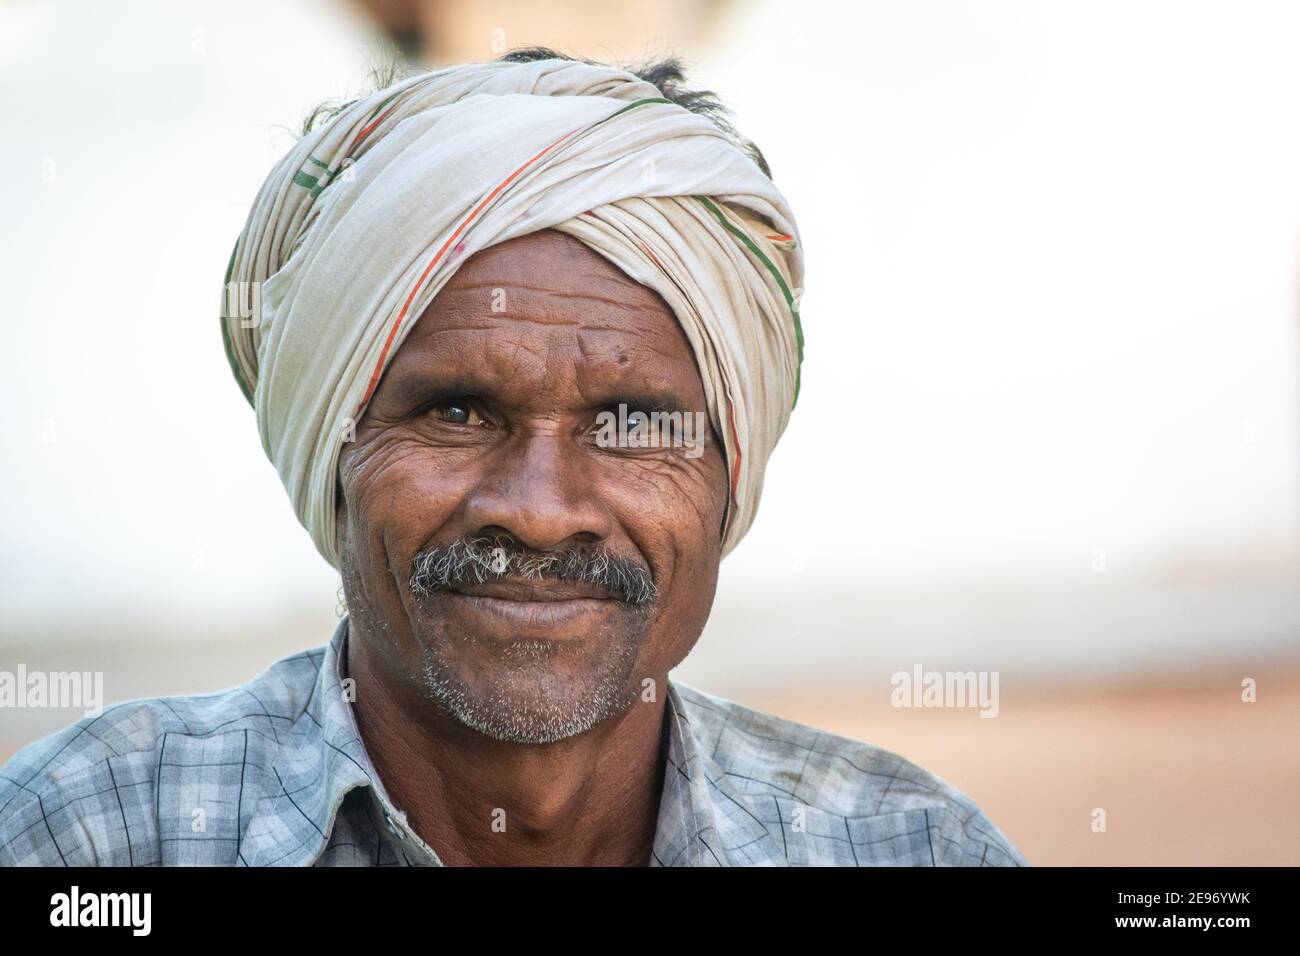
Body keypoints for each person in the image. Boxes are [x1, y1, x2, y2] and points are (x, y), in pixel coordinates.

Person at [0, 49, 1026, 867]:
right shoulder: (89, 835)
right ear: (331, 449)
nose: (538, 510)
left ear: (728, 474)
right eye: (456, 411)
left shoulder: (906, 845)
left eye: (631, 422)